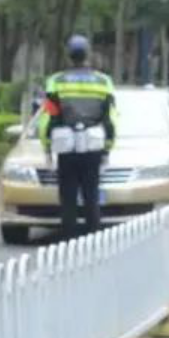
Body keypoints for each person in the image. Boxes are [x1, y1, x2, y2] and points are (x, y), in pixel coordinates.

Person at [38, 35, 116, 239]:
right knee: (91, 196)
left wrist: (47, 147)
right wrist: (107, 148)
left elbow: (48, 117)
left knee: (68, 198)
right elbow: (111, 119)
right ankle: (93, 239)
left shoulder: (56, 81)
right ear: (88, 54)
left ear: (69, 55)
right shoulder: (104, 82)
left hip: (66, 147)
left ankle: (69, 240)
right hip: (93, 146)